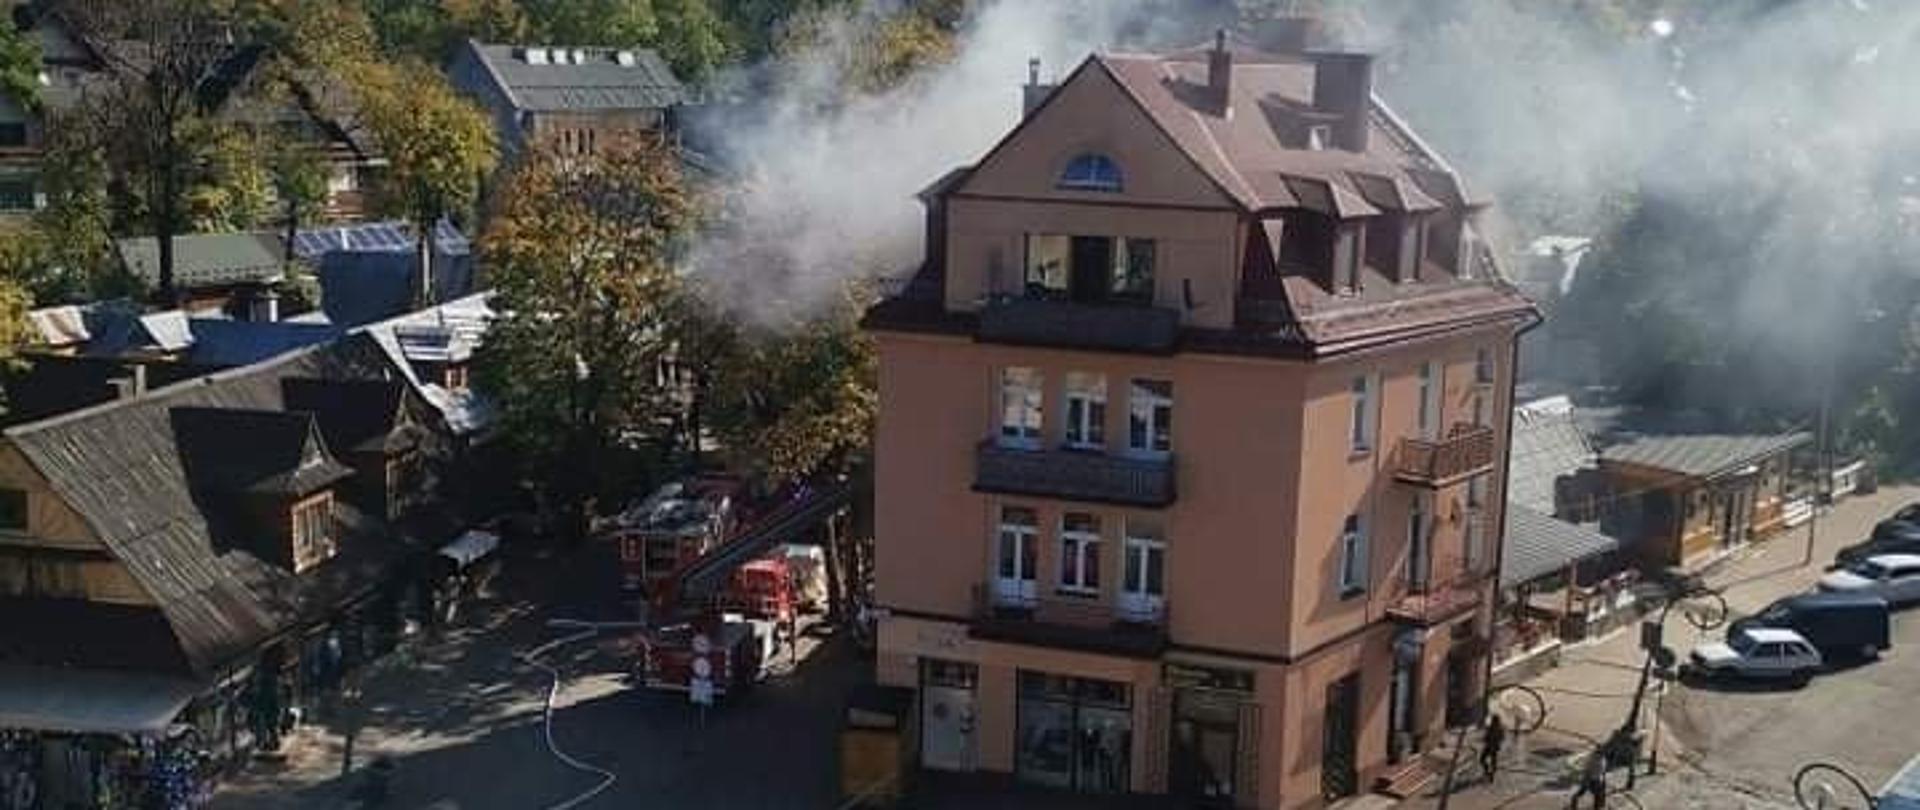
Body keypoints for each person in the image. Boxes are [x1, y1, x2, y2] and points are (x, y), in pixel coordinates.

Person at [1480, 713, 1506, 779]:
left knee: (1485, 760)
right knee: (1488, 760)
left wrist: (1488, 740)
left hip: (1492, 747)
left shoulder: (1496, 728)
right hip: (1492, 746)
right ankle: (1489, 772)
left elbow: (1487, 737)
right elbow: (1502, 738)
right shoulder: (1498, 728)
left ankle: (1490, 773)